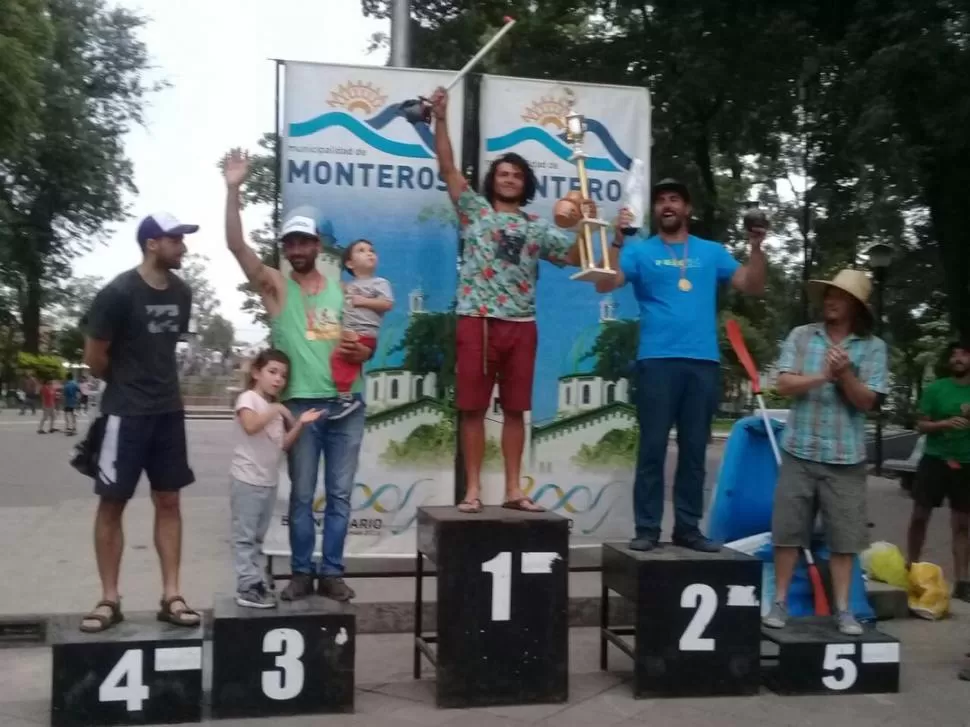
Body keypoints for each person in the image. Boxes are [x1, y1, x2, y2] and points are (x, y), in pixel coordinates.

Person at [429, 86, 590, 513]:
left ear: (526, 184)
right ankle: (473, 490)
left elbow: (576, 257)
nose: (509, 179)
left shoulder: (538, 227)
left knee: (517, 410)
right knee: (472, 408)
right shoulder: (474, 211)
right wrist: (441, 119)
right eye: (503, 173)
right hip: (477, 319)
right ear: (493, 180)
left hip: (521, 324)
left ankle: (514, 490)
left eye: (517, 175)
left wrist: (588, 227)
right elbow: (447, 167)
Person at [223, 148, 371, 602]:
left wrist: (361, 349)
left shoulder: (344, 291)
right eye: (290, 243)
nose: (297, 250)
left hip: (347, 405)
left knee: (340, 496)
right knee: (303, 496)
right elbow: (237, 248)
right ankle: (302, 573)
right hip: (299, 407)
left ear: (317, 245)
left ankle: (332, 572)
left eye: (304, 242)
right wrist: (233, 190)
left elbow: (365, 342)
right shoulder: (276, 287)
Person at [595, 180, 766, 551]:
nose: (667, 205)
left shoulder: (711, 252)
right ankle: (647, 529)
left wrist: (756, 247)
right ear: (655, 211)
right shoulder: (639, 251)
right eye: (660, 200)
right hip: (656, 361)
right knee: (652, 447)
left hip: (702, 362)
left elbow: (751, 284)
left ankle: (688, 529)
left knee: (693, 450)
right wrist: (617, 240)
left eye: (674, 199)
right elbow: (604, 284)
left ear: (687, 209)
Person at [79, 212, 200, 633]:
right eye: (176, 239)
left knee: (169, 502)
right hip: (124, 413)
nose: (183, 247)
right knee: (112, 503)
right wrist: (126, 385)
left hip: (168, 412)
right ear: (152, 243)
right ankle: (109, 599)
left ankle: (172, 596)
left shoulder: (183, 292)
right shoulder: (117, 293)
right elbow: (94, 357)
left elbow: (165, 348)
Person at [762, 269, 888, 635]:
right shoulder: (802, 336)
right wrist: (823, 376)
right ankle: (780, 603)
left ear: (856, 307)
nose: (830, 301)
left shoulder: (874, 347)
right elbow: (783, 384)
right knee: (787, 532)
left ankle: (844, 610)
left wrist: (846, 375)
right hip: (799, 450)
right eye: (829, 294)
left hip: (846, 458)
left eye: (840, 296)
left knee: (844, 539)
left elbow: (868, 402)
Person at [231, 349, 323, 608]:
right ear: (256, 372)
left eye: (283, 375)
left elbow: (282, 444)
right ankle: (246, 586)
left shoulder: (272, 408)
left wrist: (300, 423)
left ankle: (256, 582)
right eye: (272, 372)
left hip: (267, 481)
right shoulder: (248, 399)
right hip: (246, 478)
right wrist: (278, 408)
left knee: (258, 538)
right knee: (245, 537)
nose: (278, 379)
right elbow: (250, 426)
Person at [906, 340, 970, 601]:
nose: (958, 359)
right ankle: (911, 568)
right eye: (954, 355)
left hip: (966, 463)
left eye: (964, 354)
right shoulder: (936, 389)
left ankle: (962, 582)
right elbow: (921, 425)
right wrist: (944, 424)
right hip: (934, 460)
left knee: (963, 524)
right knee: (920, 516)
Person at [332, 240, 393, 419]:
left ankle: (346, 397)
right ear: (350, 264)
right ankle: (345, 395)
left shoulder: (379, 283)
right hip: (352, 331)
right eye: (361, 250)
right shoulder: (349, 285)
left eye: (371, 250)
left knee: (339, 357)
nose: (369, 253)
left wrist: (363, 301)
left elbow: (387, 304)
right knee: (343, 356)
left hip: (365, 332)